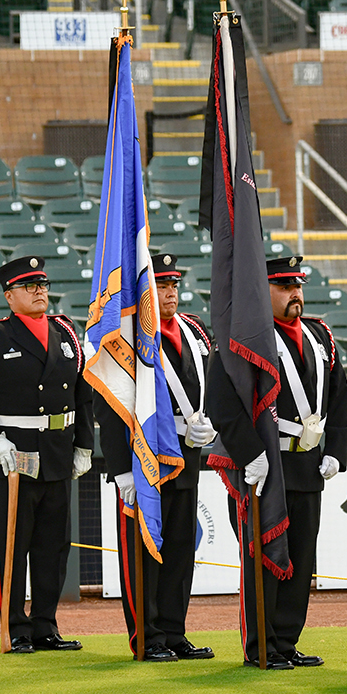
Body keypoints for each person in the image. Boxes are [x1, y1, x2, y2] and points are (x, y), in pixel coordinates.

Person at [206, 254, 347, 670]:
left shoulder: (320, 336)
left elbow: (339, 400)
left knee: (302, 560)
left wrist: (336, 454)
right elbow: (222, 403)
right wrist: (250, 454)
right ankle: (261, 646)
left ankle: (286, 641)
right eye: (285, 287)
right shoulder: (245, 339)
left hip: (308, 466)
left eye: (298, 286)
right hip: (264, 468)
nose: (296, 295)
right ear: (261, 290)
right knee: (264, 558)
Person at [0, 255, 94, 654]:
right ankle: (15, 627)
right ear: (9, 296)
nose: (39, 292)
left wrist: (84, 443)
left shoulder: (65, 332)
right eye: (29, 287)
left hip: (56, 454)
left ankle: (45, 626)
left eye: (43, 285)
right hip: (14, 457)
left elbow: (83, 395)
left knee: (54, 548)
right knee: (15, 546)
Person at [100, 252, 218, 661]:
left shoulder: (195, 331)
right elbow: (111, 406)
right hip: (142, 463)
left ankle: (173, 631)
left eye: (174, 285)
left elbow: (212, 385)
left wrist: (211, 426)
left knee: (181, 550)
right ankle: (146, 636)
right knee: (145, 550)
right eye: (162, 285)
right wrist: (120, 471)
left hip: (187, 458)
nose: (169, 293)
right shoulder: (127, 337)